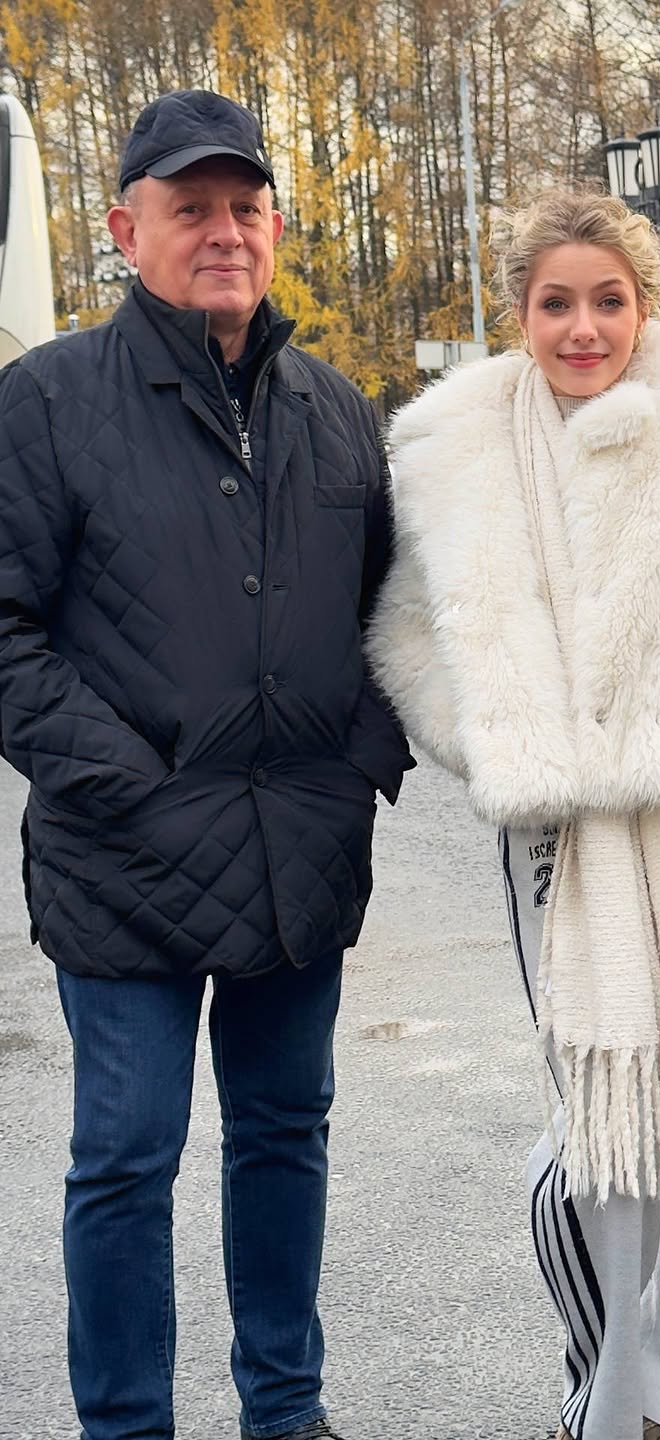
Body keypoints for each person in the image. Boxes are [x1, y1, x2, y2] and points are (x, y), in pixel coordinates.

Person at [0, 89, 412, 1440]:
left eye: (247, 206)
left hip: (300, 851)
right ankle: (126, 1427)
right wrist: (121, 778)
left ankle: (284, 1411)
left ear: (275, 227)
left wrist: (359, 759)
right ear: (128, 231)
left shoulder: (336, 407)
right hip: (122, 857)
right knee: (125, 1159)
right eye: (192, 208)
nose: (225, 231)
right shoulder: (45, 402)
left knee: (285, 1136)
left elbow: (397, 615)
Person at [367, 188, 660, 1440]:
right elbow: (409, 634)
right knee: (598, 1109)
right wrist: (508, 747)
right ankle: (612, 1392)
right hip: (557, 835)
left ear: (645, 304)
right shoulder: (448, 448)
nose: (583, 327)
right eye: (556, 302)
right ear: (518, 310)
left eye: (608, 300)